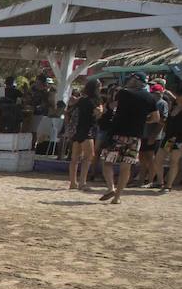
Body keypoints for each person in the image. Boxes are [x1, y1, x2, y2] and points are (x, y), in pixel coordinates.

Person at [99, 72, 160, 205]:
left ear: (134, 80)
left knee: (107, 162)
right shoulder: (149, 98)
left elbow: (112, 107)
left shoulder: (123, 93)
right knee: (125, 168)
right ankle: (117, 197)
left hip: (117, 134)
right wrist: (144, 120)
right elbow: (156, 118)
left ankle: (111, 188)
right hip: (135, 137)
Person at [67, 79, 101, 191]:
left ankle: (73, 182)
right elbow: (98, 113)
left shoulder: (82, 100)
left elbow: (71, 105)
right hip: (88, 130)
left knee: (75, 158)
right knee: (88, 157)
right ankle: (82, 182)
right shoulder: (95, 100)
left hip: (77, 130)